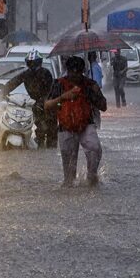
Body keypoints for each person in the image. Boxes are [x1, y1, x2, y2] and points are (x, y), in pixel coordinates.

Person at [46, 56, 108, 187]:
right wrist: (63, 97)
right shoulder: (59, 84)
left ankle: (92, 177)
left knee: (94, 148)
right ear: (67, 71)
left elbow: (103, 106)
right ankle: (70, 188)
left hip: (86, 125)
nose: (75, 75)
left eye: (78, 72)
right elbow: (47, 105)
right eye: (72, 72)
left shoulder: (90, 85)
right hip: (65, 127)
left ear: (83, 71)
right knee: (69, 176)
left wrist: (94, 93)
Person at [0, 49, 57, 149]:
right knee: (39, 126)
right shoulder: (26, 74)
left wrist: (42, 101)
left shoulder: (46, 73)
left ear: (39, 63)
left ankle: (50, 148)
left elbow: (50, 90)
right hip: (35, 104)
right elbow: (13, 82)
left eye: (35, 63)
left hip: (49, 104)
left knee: (50, 129)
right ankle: (39, 143)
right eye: (30, 63)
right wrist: (2, 92)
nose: (32, 65)